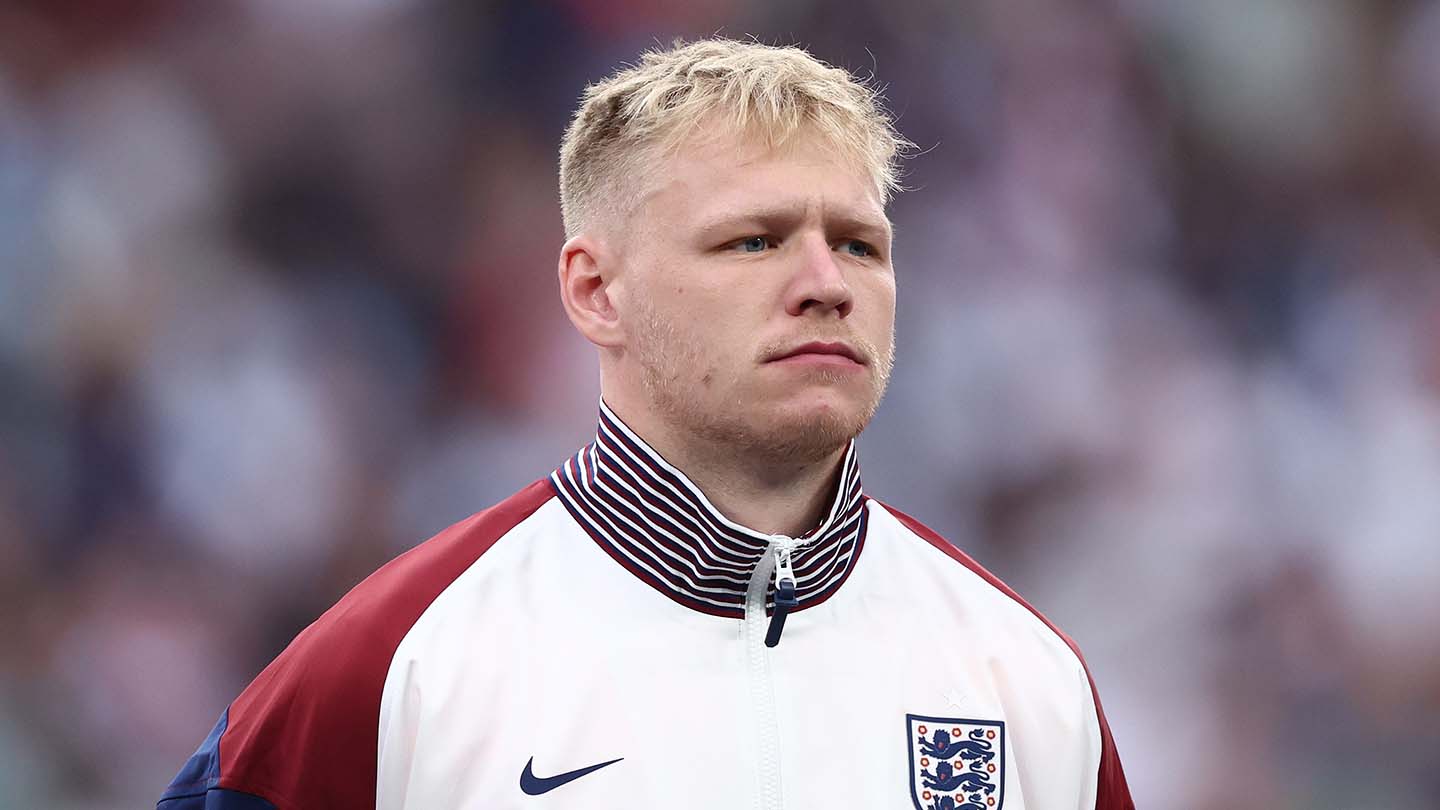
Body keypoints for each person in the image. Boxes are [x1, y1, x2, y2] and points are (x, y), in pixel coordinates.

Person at [158, 38, 1133, 810]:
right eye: (753, 241)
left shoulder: (1024, 680)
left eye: (859, 245)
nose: (827, 285)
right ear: (595, 292)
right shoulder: (392, 672)